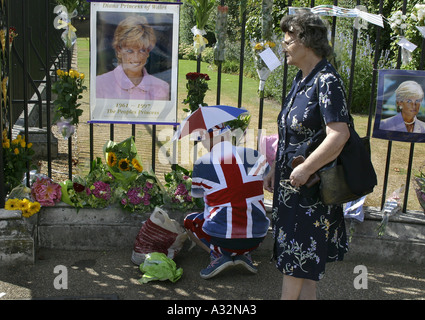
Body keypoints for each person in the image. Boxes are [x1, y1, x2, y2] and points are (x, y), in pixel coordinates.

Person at [263, 13, 349, 300]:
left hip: (310, 190)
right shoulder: (302, 79)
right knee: (304, 270)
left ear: (306, 41)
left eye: (288, 40)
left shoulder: (327, 80)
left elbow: (339, 134)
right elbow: (290, 133)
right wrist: (276, 167)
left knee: (296, 263)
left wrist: (304, 169)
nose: (283, 46)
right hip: (292, 188)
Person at [184, 124, 270, 279]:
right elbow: (268, 181)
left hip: (220, 238)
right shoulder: (255, 155)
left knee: (189, 221)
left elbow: (197, 195)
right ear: (229, 135)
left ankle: (218, 256)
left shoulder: (202, 163)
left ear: (206, 141)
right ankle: (244, 255)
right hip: (257, 236)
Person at [96, 15, 170, 100]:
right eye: (130, 51)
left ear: (148, 52)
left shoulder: (162, 87)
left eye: (142, 50)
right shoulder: (100, 83)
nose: (136, 57)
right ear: (118, 50)